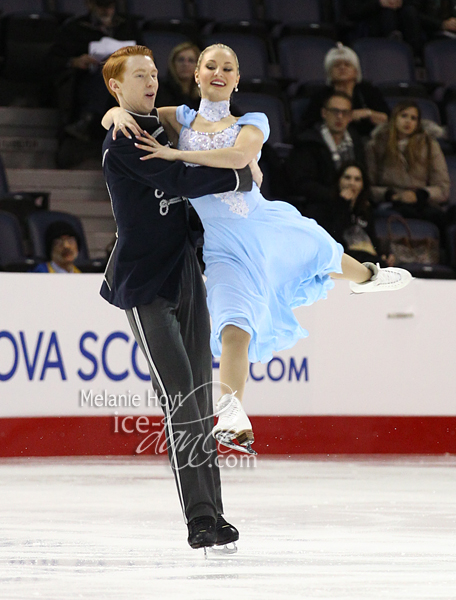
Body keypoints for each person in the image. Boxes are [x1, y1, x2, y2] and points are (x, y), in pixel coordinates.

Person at [103, 44, 412, 460]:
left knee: (324, 252)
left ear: (237, 78)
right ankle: (231, 415)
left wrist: (177, 153)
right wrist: (113, 114)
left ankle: (369, 278)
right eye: (210, 66)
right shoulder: (180, 117)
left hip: (262, 224)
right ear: (196, 75)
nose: (218, 72)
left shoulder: (252, 121)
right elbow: (125, 108)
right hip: (224, 248)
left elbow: (240, 157)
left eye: (227, 68)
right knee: (234, 327)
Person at [100, 45, 259, 551]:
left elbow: (192, 156)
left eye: (153, 74)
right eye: (139, 77)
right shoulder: (123, 139)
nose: (151, 82)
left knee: (197, 399)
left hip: (184, 274)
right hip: (144, 282)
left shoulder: (162, 129)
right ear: (116, 88)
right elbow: (179, 177)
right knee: (179, 399)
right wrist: (237, 173)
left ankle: (213, 514)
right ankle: (199, 520)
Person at [48, 0, 142, 150]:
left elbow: (146, 56)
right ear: (89, 5)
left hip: (126, 81)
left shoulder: (128, 27)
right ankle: (89, 119)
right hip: (86, 81)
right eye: (101, 6)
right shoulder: (74, 28)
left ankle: (90, 119)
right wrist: (75, 61)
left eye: (109, 6)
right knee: (105, 73)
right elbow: (53, 59)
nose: (106, 11)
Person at [366, 100, 450, 236]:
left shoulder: (429, 145)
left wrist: (419, 195)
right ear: (394, 118)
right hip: (389, 202)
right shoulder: (376, 145)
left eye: (413, 118)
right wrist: (391, 195)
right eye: (404, 116)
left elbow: (442, 187)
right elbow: (368, 186)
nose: (408, 121)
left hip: (422, 203)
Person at [286, 91, 366, 223]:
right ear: (324, 113)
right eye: (334, 111)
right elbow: (302, 183)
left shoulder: (356, 142)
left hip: (351, 204)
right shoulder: (307, 142)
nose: (339, 117)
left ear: (350, 116)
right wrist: (335, 196)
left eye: (345, 112)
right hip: (319, 207)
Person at [298, 44, 389, 138]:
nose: (342, 68)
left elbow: (388, 120)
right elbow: (308, 126)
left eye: (347, 65)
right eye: (336, 65)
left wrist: (368, 113)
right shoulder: (321, 95)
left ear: (356, 71)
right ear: (329, 72)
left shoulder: (369, 91)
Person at [329, 162, 394, 266]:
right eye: (347, 178)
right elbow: (333, 239)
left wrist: (384, 253)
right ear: (338, 181)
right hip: (342, 261)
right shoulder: (326, 208)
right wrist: (342, 205)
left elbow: (373, 239)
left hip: (366, 261)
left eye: (357, 179)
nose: (352, 183)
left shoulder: (366, 210)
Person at [344, 0, 423, 54]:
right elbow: (353, 11)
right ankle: (390, 45)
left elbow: (418, 5)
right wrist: (379, 3)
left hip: (401, 19)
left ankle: (412, 54)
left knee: (410, 11)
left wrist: (400, 2)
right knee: (386, 12)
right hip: (369, 22)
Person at [155, 42, 201, 111]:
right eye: (181, 60)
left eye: (191, 60)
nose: (185, 64)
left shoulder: (203, 94)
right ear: (173, 63)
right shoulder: (160, 90)